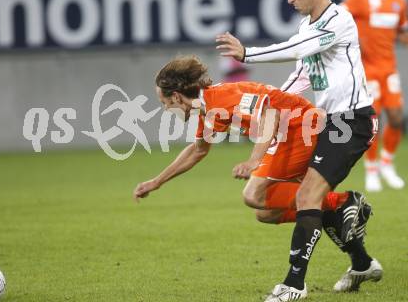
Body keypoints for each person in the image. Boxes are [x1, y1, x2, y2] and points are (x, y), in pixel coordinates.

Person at [133, 55, 377, 297]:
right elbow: (198, 151)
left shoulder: (221, 98)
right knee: (268, 212)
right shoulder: (208, 109)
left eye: (164, 102)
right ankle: (361, 260)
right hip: (292, 133)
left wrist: (254, 160)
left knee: (254, 194)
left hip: (298, 130)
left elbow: (270, 114)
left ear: (176, 96)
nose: (166, 108)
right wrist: (157, 181)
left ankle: (342, 203)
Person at [216, 0, 382, 301]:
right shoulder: (308, 29)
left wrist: (248, 53)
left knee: (307, 197)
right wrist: (270, 103)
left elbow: (297, 50)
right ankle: (361, 260)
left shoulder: (339, 20)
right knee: (268, 208)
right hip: (327, 124)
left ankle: (294, 284)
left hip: (352, 122)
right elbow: (300, 76)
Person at [343, 0, 408, 192]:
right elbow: (338, 16)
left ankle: (387, 164)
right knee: (374, 120)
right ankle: (371, 170)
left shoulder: (398, 1)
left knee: (398, 117)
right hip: (367, 70)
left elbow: (401, 31)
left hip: (389, 69)